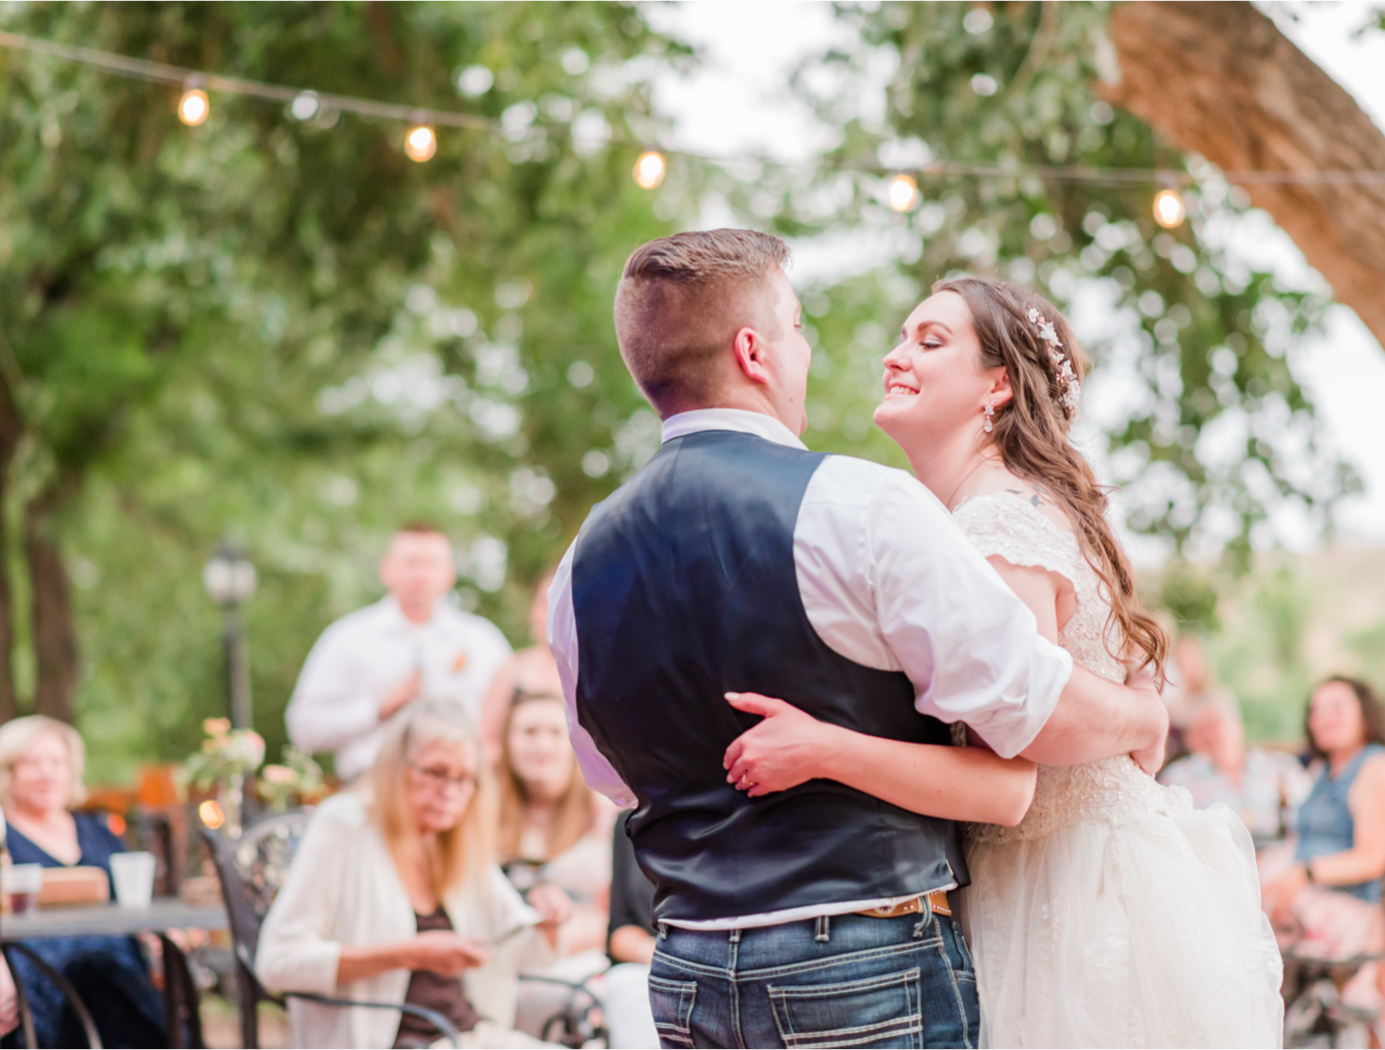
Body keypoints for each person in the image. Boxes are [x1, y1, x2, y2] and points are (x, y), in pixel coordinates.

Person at [549, 230, 1171, 1049]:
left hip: (686, 969)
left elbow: (612, 777)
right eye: (796, 326)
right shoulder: (859, 504)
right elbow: (1032, 714)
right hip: (859, 960)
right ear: (754, 352)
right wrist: (1144, 715)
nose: (809, 349)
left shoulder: (579, 564)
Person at [722, 275, 1284, 1047]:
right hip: (1087, 866)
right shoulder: (1012, 506)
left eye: (929, 341)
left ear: (997, 386)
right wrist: (1143, 712)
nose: (894, 356)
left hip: (1060, 893)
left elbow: (1024, 742)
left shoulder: (992, 526)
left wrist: (824, 748)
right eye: (902, 337)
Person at [255, 702, 568, 1049]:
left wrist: (549, 922)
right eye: (435, 772)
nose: (450, 792)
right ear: (395, 767)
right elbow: (278, 963)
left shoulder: (454, 840)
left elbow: (523, 953)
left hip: (469, 1036)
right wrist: (409, 954)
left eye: (464, 779)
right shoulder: (344, 826)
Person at [0, 716, 167, 1049]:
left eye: (56, 762)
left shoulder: (98, 831)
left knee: (112, 977)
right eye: (32, 763)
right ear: (8, 772)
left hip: (114, 973)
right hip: (30, 976)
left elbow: (131, 907)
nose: (47, 774)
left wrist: (155, 939)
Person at [286, 523, 511, 781]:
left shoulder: (484, 641)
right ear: (386, 569)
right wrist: (376, 710)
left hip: (463, 788)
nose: (421, 574)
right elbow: (302, 728)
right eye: (411, 562)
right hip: (369, 788)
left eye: (432, 564)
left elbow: (513, 722)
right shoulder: (346, 638)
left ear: (450, 574)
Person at [1262, 677, 1385, 1041]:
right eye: (1316, 710)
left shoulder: (1374, 767)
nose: (1324, 718)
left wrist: (1306, 873)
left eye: (1337, 708)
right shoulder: (1323, 770)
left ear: (1365, 715)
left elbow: (1374, 859)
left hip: (1351, 906)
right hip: (1309, 895)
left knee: (1247, 921)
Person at [494, 690, 612, 960]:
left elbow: (621, 916)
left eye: (556, 733)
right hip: (505, 957)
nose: (542, 745)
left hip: (585, 960)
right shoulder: (485, 812)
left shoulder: (605, 814)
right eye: (529, 732)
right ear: (507, 741)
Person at [1160, 693, 1311, 844]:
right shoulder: (1178, 779)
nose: (1211, 735)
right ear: (1190, 739)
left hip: (1281, 853)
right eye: (1201, 729)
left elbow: (1309, 821)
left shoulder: (1281, 767)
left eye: (1216, 723)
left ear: (1238, 724)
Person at [480, 568, 563, 762]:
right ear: (532, 610)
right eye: (546, 604)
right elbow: (487, 742)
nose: (553, 614)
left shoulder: (595, 676)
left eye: (562, 604)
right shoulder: (511, 670)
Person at [603, 811, 660, 1050]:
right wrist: (656, 954)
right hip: (652, 963)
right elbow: (618, 931)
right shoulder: (631, 819)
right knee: (623, 985)